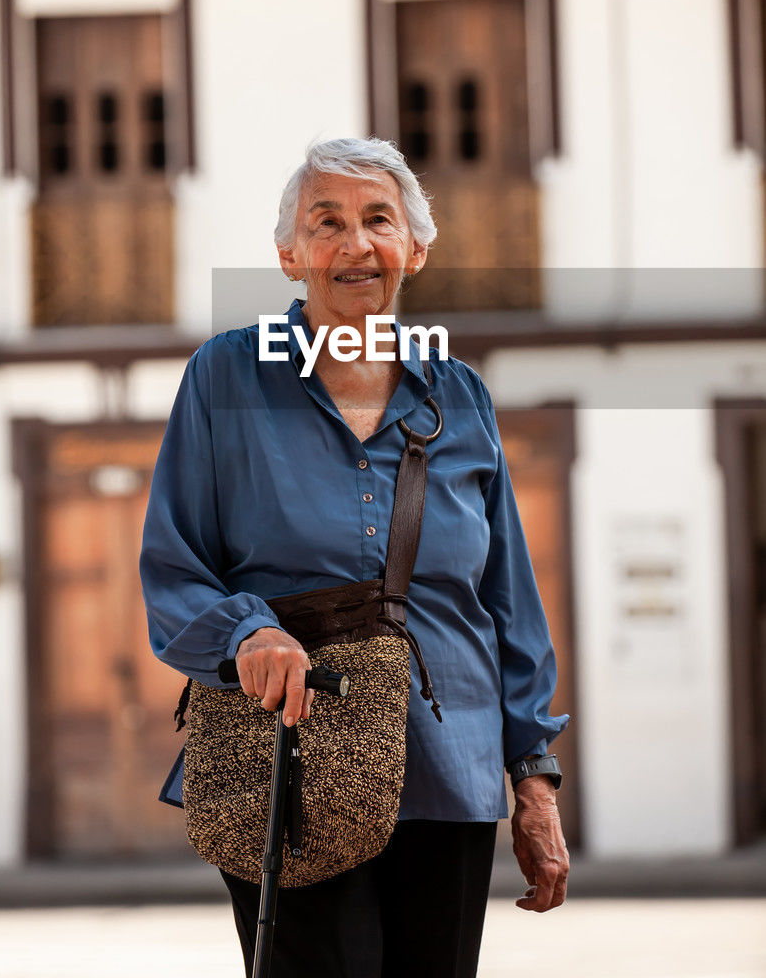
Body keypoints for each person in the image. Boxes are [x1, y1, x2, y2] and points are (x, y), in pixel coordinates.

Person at [139, 137, 570, 978]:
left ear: (414, 248)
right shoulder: (225, 375)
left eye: (379, 220)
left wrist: (534, 775)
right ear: (290, 254)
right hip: (287, 759)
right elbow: (172, 565)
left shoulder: (460, 394)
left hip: (451, 762)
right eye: (325, 222)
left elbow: (505, 598)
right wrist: (244, 635)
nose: (354, 244)